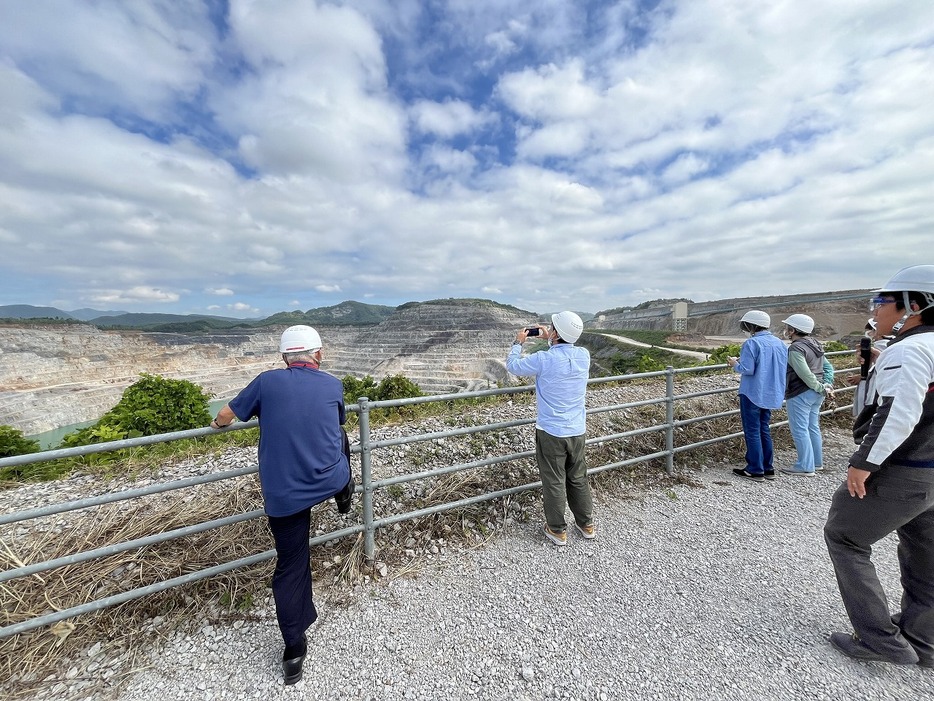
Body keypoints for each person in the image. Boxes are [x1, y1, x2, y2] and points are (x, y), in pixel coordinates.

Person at [210, 325, 353, 684]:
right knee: (344, 441)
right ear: (318, 355)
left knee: (292, 564)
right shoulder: (333, 384)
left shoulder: (267, 381)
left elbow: (226, 415)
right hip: (326, 479)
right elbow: (335, 425)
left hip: (286, 496)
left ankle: (294, 650)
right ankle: (345, 492)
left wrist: (216, 424)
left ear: (285, 358)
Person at [823, 264, 934, 668]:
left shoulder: (910, 350)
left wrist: (863, 462)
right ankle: (923, 640)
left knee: (845, 536)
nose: (876, 308)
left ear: (915, 305)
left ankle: (879, 640)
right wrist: (874, 363)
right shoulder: (920, 348)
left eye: (882, 301)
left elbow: (898, 413)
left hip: (904, 468)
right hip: (931, 472)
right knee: (925, 551)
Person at [506, 311, 594, 546]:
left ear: (555, 333)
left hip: (552, 431)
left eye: (552, 327)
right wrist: (552, 337)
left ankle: (557, 529)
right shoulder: (584, 356)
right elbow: (564, 352)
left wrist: (518, 342)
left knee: (554, 480)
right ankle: (586, 524)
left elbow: (513, 366)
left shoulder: (544, 359)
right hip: (577, 429)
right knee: (578, 477)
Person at [726, 310, 788, 482]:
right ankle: (768, 467)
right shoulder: (780, 343)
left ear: (751, 325)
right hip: (771, 392)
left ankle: (755, 469)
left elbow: (748, 369)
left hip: (752, 392)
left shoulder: (751, 343)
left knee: (752, 431)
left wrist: (734, 363)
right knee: (764, 429)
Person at [780, 314, 835, 476]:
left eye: (788, 328)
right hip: (816, 394)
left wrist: (819, 387)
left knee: (800, 429)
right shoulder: (815, 344)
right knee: (813, 427)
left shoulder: (796, 348)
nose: (786, 330)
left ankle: (805, 466)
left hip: (800, 392)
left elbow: (804, 373)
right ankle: (816, 462)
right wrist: (826, 385)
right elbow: (828, 367)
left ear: (793, 330)